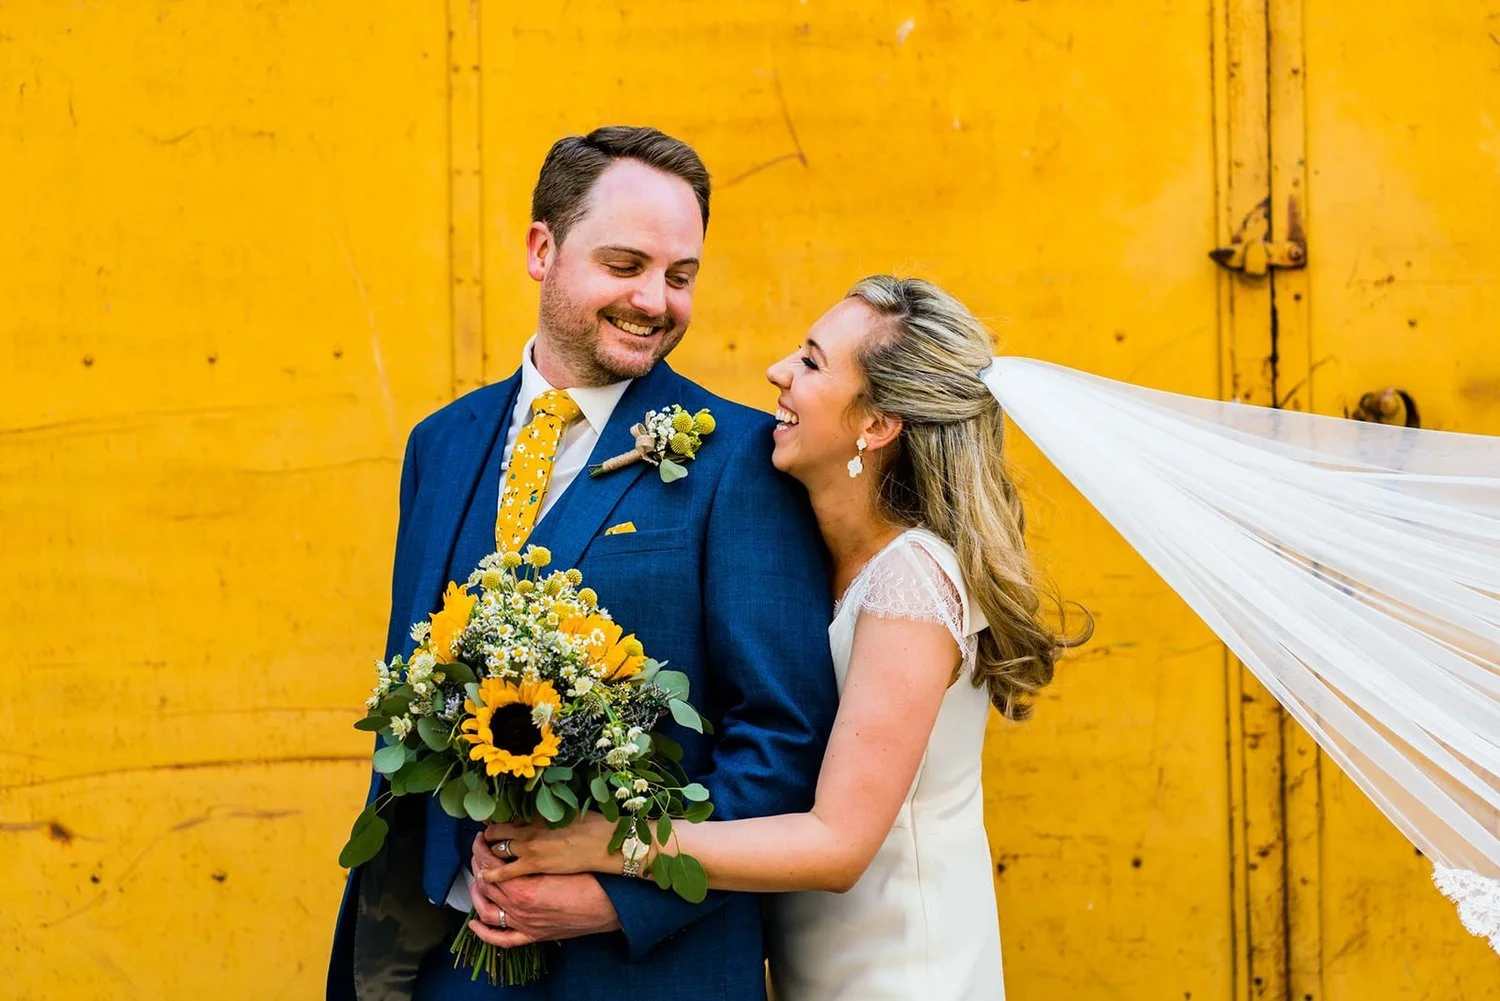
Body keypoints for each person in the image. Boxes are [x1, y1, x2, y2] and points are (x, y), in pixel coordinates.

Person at [467, 275, 1089, 1000]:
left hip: (899, 974)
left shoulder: (914, 579)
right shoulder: (822, 552)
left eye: (813, 363)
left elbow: (836, 845)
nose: (779, 373)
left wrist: (608, 840)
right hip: (810, 968)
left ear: (878, 422)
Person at [326, 126, 840, 1000]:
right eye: (626, 264)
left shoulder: (741, 461)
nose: (656, 300)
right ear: (542, 249)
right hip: (451, 963)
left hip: (650, 965)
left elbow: (785, 740)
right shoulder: (440, 445)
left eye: (681, 276)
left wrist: (614, 894)